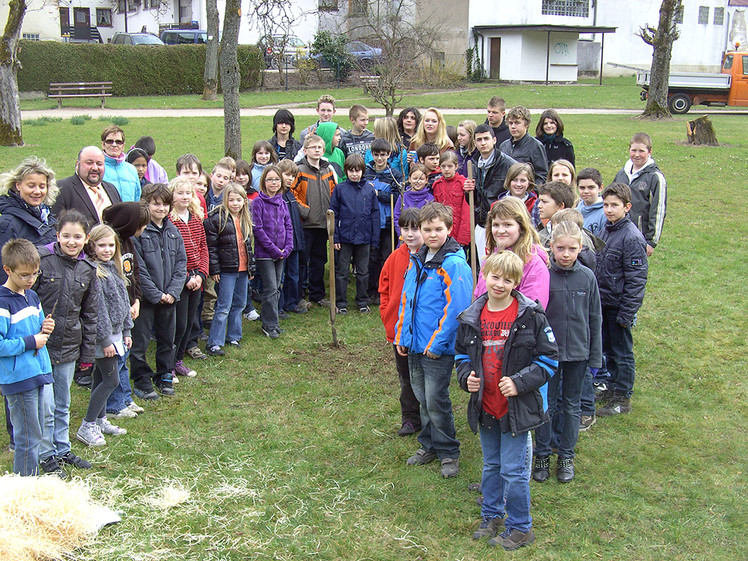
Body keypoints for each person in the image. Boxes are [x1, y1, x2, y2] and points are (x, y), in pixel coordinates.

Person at [455, 251, 558, 550]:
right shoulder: (471, 316)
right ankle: (491, 515)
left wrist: (518, 382)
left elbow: (549, 361)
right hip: (485, 406)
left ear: (517, 282)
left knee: (513, 471)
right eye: (495, 277)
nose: (500, 284)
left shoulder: (531, 316)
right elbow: (461, 355)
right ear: (485, 276)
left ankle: (520, 526)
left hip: (516, 409)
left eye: (508, 279)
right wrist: (467, 378)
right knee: (491, 466)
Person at [395, 202, 473, 479]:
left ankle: (449, 450)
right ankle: (428, 444)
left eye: (438, 229)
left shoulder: (453, 264)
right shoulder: (417, 259)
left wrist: (437, 344)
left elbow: (457, 311)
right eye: (427, 229)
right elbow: (407, 300)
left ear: (449, 229)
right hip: (414, 344)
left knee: (436, 399)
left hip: (436, 349)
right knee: (421, 398)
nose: (432, 234)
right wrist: (401, 335)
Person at [532, 221, 602, 484]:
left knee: (571, 406)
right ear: (551, 246)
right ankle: (541, 455)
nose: (565, 254)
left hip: (578, 355)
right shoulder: (544, 275)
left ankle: (566, 456)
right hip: (548, 355)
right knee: (545, 405)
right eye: (560, 248)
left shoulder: (587, 277)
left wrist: (595, 357)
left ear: (580, 248)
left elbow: (595, 318)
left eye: (572, 249)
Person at [35, 211, 98, 474]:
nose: (71, 242)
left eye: (77, 237)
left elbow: (90, 313)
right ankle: (45, 453)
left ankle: (62, 448)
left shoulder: (88, 269)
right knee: (45, 405)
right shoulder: (42, 260)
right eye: (66, 236)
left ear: (85, 239)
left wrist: (88, 353)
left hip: (70, 344)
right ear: (57, 235)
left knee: (63, 402)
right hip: (41, 347)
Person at [0, 238, 55, 475]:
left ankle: (29, 481)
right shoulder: (3, 302)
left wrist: (45, 327)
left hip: (38, 371)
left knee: (37, 432)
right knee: (27, 437)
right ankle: (24, 486)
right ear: (8, 270)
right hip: (19, 377)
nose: (31, 279)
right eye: (24, 275)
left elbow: (37, 330)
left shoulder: (31, 296)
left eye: (35, 273)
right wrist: (31, 341)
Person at [76, 225, 132, 447]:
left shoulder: (114, 268)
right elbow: (97, 309)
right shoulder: (94, 272)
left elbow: (123, 301)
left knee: (101, 377)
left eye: (111, 245)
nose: (107, 250)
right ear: (92, 245)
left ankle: (100, 419)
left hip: (116, 333)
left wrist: (127, 330)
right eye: (101, 245)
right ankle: (87, 424)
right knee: (111, 379)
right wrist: (106, 339)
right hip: (103, 337)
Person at [594, 183, 648, 416]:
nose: (608, 210)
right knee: (608, 348)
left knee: (622, 352)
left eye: (614, 205)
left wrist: (627, 312)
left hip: (618, 306)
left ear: (627, 207)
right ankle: (612, 386)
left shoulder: (632, 238)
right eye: (605, 205)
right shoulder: (607, 229)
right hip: (603, 302)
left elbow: (636, 280)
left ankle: (622, 398)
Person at [130, 183, 186, 398]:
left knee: (167, 338)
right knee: (141, 340)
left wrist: (172, 292)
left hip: (169, 298)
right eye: (156, 204)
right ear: (146, 205)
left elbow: (181, 263)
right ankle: (141, 378)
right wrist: (155, 294)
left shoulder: (173, 231)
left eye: (165, 205)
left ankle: (164, 373)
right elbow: (138, 269)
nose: (161, 209)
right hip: (146, 299)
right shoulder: (139, 234)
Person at [102, 202, 149, 419]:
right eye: (141, 225)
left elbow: (135, 274)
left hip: (130, 307)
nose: (144, 229)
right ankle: (114, 405)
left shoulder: (130, 243)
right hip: (114, 312)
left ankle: (125, 398)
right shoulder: (109, 246)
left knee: (125, 356)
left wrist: (137, 300)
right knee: (117, 360)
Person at [379, 208, 423, 437]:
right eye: (405, 229)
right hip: (399, 330)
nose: (410, 234)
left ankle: (428, 416)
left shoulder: (431, 257)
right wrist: (387, 313)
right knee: (405, 377)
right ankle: (410, 418)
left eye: (415, 228)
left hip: (424, 331)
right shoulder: (396, 257)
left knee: (424, 378)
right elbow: (384, 287)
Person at [473, 197, 550, 309]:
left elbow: (531, 311)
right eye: (496, 225)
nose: (500, 230)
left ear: (521, 227)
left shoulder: (534, 264)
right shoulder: (491, 260)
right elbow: (480, 299)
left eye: (507, 225)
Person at [205, 183, 255, 352]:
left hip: (242, 269)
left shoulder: (245, 219)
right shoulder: (216, 218)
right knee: (223, 305)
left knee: (239, 303)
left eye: (238, 200)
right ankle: (215, 341)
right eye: (231, 200)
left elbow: (248, 247)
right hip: (226, 269)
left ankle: (233, 336)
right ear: (225, 200)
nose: (235, 203)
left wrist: (251, 268)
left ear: (244, 201)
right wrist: (215, 269)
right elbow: (211, 248)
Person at [329, 154, 379, 314]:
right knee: (342, 271)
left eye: (358, 171)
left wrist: (374, 239)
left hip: (364, 238)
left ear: (363, 171)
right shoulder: (340, 189)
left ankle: (362, 301)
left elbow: (375, 215)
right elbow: (333, 213)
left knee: (363, 271)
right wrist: (335, 237)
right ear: (346, 171)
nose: (355, 174)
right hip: (344, 237)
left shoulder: (369, 189)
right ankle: (341, 302)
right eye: (351, 171)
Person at [291, 134, 337, 307]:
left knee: (319, 259)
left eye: (319, 147)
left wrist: (332, 213)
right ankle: (299, 294)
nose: (317, 150)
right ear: (305, 150)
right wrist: (305, 211)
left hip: (323, 224)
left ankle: (317, 295)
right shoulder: (300, 170)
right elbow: (292, 194)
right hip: (306, 224)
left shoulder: (327, 170)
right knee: (303, 260)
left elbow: (334, 192)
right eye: (313, 147)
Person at [168, 177, 208, 378]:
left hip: (196, 277)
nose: (185, 197)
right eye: (180, 193)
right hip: (180, 279)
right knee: (179, 323)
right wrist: (185, 278)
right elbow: (171, 255)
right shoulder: (170, 220)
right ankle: (169, 364)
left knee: (190, 320)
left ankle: (178, 361)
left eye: (188, 193)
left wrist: (201, 274)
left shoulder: (195, 218)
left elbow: (203, 248)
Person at [462, 124, 517, 263]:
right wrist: (469, 191)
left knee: (501, 263)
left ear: (494, 140)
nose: (483, 143)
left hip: (501, 223)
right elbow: (473, 200)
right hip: (481, 224)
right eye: (479, 140)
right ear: (474, 143)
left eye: (486, 138)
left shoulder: (508, 164)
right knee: (483, 264)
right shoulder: (473, 164)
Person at [0, 157, 59, 283]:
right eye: (31, 186)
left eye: (42, 186)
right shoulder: (8, 223)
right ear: (18, 185)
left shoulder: (47, 217)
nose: (37, 191)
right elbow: (3, 272)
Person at [252, 166, 293, 338]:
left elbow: (288, 226)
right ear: (264, 182)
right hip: (265, 254)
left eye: (276, 179)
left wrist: (288, 248)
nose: (273, 183)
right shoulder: (258, 203)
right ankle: (268, 324)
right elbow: (258, 229)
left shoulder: (282, 202)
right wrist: (274, 250)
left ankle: (274, 322)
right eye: (270, 179)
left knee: (277, 288)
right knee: (270, 288)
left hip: (282, 253)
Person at [612, 132, 666, 256]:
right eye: (633, 150)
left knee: (634, 271)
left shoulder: (655, 177)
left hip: (639, 235)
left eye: (641, 151)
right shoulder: (622, 174)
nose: (637, 155)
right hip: (617, 231)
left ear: (650, 152)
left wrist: (651, 241)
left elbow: (658, 210)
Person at [364, 137, 403, 303]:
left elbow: (398, 196)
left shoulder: (395, 175)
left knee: (385, 257)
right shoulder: (365, 172)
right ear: (372, 154)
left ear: (389, 155)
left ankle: (384, 291)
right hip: (370, 222)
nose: (380, 158)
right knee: (371, 257)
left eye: (383, 155)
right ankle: (371, 290)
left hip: (387, 222)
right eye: (377, 154)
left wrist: (379, 194)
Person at [53, 147, 123, 229]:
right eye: (89, 163)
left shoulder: (111, 189)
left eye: (99, 164)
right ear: (77, 164)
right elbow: (56, 225)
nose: (95, 168)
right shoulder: (62, 188)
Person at [276, 159, 307, 315]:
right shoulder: (277, 196)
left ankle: (291, 302)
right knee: (279, 277)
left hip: (294, 242)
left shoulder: (291, 195)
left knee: (293, 274)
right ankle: (279, 306)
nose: (290, 179)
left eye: (292, 176)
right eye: (287, 175)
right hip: (281, 244)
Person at [499, 106, 548, 184]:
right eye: (510, 123)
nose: (513, 126)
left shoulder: (535, 146)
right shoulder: (504, 146)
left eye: (517, 123)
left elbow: (541, 176)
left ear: (527, 124)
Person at [432, 151, 470, 249]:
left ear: (456, 166)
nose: (446, 169)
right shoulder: (437, 185)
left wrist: (463, 237)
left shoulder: (463, 184)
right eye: (443, 166)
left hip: (458, 233)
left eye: (450, 166)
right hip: (443, 233)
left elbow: (466, 213)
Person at [393, 164, 434, 238]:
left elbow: (430, 221)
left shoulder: (430, 199)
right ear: (409, 179)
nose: (418, 182)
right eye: (415, 178)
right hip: (404, 237)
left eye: (421, 179)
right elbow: (397, 217)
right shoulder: (403, 196)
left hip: (422, 239)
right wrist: (402, 234)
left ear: (426, 180)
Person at [101, 125, 141, 202]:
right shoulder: (97, 169)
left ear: (123, 146)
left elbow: (137, 198)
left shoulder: (131, 169)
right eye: (110, 141)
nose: (114, 145)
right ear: (103, 144)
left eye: (118, 142)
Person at [536, 180, 576, 246]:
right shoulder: (541, 231)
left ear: (560, 206)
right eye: (540, 201)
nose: (539, 205)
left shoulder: (576, 234)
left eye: (544, 201)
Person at [576, 167, 607, 237]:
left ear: (600, 188)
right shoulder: (576, 210)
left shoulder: (605, 214)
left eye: (591, 187)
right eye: (582, 188)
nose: (586, 191)